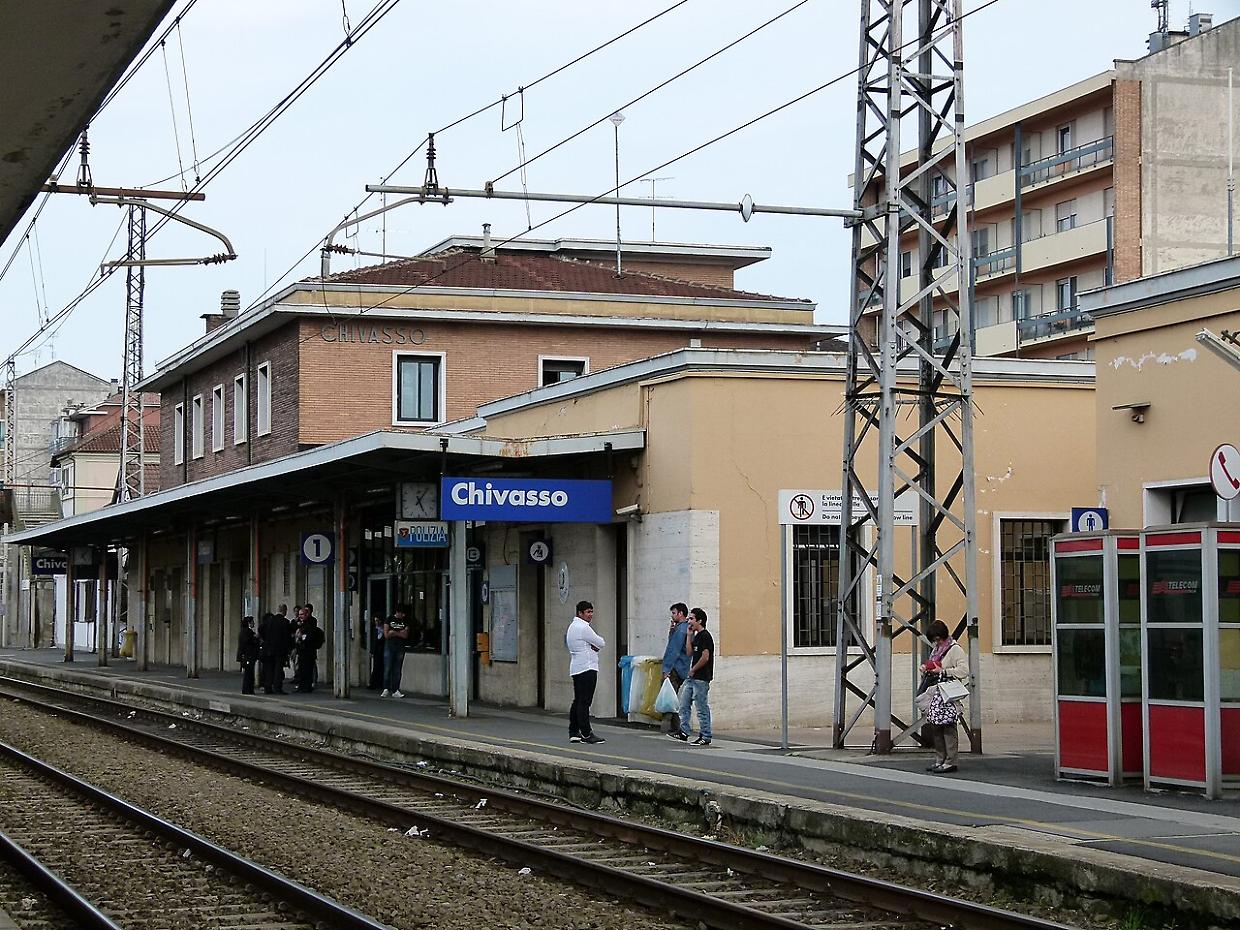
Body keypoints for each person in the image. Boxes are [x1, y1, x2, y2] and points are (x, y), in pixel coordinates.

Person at [920, 619, 969, 774]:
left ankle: (950, 761)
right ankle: (939, 759)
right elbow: (934, 666)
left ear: (942, 636)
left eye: (937, 639)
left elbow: (963, 670)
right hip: (936, 692)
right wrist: (926, 668)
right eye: (934, 640)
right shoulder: (937, 650)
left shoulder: (955, 650)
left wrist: (943, 671)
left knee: (948, 726)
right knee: (936, 726)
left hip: (948, 693)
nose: (936, 642)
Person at [670, 607, 713, 745]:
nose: (689, 621)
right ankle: (684, 731)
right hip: (692, 678)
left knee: (701, 708)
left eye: (692, 619)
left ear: (700, 621)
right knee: (684, 704)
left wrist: (693, 669)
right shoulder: (697, 636)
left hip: (701, 677)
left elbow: (705, 657)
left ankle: (705, 735)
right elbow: (689, 653)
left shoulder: (705, 636)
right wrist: (689, 635)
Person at [565, 600, 606, 745]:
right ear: (580, 613)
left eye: (591, 611)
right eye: (587, 612)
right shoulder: (584, 628)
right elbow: (601, 642)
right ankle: (587, 733)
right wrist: (593, 646)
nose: (590, 615)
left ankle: (574, 732)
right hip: (587, 668)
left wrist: (591, 645)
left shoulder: (572, 627)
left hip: (576, 667)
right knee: (584, 702)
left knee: (577, 700)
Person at [660, 603, 691, 733]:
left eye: (674, 613)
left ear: (681, 613)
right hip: (681, 668)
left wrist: (666, 669)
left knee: (668, 698)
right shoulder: (680, 629)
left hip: (675, 668)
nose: (672, 616)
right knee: (671, 696)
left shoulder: (681, 630)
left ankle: (668, 726)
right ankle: (676, 726)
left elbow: (674, 650)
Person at [257, 611, 290, 694]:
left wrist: (266, 639)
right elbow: (287, 636)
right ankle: (277, 688)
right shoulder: (285, 622)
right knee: (278, 669)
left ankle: (268, 687)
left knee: (269, 669)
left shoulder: (269, 621)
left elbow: (260, 629)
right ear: (285, 612)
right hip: (280, 649)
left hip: (268, 649)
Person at [292, 610, 324, 693]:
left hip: (308, 650)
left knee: (308, 669)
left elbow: (309, 637)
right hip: (302, 650)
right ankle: (302, 686)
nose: (300, 616)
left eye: (302, 614)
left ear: (307, 614)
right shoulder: (301, 624)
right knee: (301, 669)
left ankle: (307, 686)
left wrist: (301, 637)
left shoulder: (310, 624)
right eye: (299, 614)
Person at [381, 606, 410, 698]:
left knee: (397, 670)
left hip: (400, 647)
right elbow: (386, 634)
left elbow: (405, 635)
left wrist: (394, 632)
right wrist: (399, 633)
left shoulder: (405, 621)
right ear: (398, 612)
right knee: (388, 668)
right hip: (389, 647)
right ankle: (386, 688)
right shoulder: (389, 619)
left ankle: (395, 689)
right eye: (402, 614)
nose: (403, 615)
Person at [237, 616, 258, 695]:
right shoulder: (248, 632)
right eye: (252, 622)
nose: (254, 624)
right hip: (248, 655)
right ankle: (248, 689)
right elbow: (248, 643)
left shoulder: (243, 631)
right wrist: (255, 639)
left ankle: (248, 689)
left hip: (245, 655)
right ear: (249, 623)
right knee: (249, 674)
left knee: (248, 673)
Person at [368, 613, 386, 690]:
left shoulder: (383, 629)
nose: (377, 622)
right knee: (376, 667)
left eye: (378, 620)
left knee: (381, 667)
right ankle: (373, 683)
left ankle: (379, 683)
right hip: (376, 651)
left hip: (382, 650)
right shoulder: (375, 630)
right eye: (375, 621)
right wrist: (372, 651)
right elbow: (373, 641)